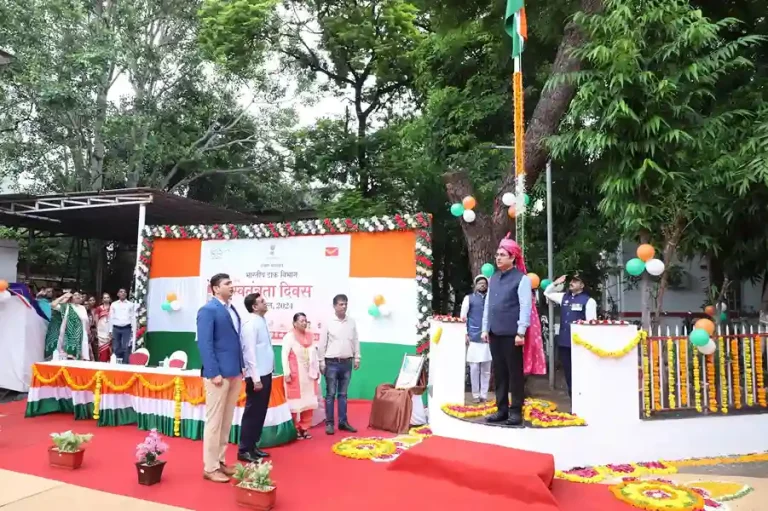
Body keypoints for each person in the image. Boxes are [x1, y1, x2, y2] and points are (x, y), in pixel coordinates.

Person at [481, 235, 546, 426]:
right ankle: (501, 410)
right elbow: (488, 305)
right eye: (497, 255)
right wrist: (485, 328)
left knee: (514, 374)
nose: (498, 258)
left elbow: (525, 306)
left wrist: (521, 332)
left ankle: (516, 411)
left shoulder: (521, 279)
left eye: (502, 255)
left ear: (512, 257)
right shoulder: (493, 278)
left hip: (512, 334)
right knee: (499, 373)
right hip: (494, 332)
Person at [197, 273, 245, 483]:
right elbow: (204, 343)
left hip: (234, 371)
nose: (231, 286)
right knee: (215, 422)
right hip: (218, 375)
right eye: (227, 284)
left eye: (231, 283)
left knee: (226, 422)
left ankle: (220, 461)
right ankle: (210, 467)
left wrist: (241, 367)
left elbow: (234, 340)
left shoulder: (231, 309)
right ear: (216, 288)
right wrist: (213, 372)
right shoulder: (208, 310)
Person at [543, 274, 597, 396]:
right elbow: (547, 293)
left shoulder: (589, 301)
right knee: (568, 371)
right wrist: (555, 283)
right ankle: (572, 396)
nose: (571, 283)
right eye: (571, 280)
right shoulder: (564, 297)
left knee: (580, 370)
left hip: (579, 343)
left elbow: (591, 324)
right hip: (564, 341)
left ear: (582, 285)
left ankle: (583, 395)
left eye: (575, 281)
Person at [239, 292, 273, 462]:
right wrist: (255, 378)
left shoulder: (261, 320)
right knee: (252, 413)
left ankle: (253, 446)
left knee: (260, 412)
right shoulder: (250, 324)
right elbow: (249, 352)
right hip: (256, 376)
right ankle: (244, 449)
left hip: (266, 373)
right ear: (254, 307)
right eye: (261, 301)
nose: (265, 303)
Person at [319, 294, 359, 435]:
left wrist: (357, 357)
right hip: (331, 363)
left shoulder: (351, 322)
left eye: (345, 304)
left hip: (347, 362)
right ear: (334, 306)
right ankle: (330, 423)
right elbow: (322, 343)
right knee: (330, 394)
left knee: (343, 394)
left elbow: (355, 340)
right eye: (341, 304)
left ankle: (343, 422)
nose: (344, 306)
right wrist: (321, 362)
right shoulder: (329, 322)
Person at [282, 312, 320, 439]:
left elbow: (314, 355)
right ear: (294, 323)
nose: (304, 323)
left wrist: (317, 370)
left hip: (309, 375)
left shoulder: (310, 336)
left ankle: (305, 428)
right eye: (301, 321)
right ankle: (294, 429)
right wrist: (287, 373)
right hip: (295, 376)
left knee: (308, 403)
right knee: (295, 404)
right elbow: (284, 356)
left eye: (305, 321)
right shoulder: (289, 337)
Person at [460, 275, 492, 402]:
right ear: (475, 285)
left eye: (484, 283)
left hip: (488, 337)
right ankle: (475, 395)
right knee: (474, 368)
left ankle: (484, 395)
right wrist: (465, 333)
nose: (482, 285)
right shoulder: (469, 298)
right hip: (473, 336)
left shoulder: (491, 299)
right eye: (480, 283)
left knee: (486, 368)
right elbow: (463, 317)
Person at [43, 290, 91, 361]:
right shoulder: (66, 306)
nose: (77, 296)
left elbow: (86, 322)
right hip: (69, 336)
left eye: (79, 295)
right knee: (69, 357)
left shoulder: (82, 308)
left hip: (80, 335)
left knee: (79, 358)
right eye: (75, 295)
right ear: (71, 297)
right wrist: (64, 296)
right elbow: (53, 305)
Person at [109, 288, 135, 362]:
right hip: (116, 328)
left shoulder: (130, 304)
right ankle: (117, 363)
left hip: (126, 328)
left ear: (126, 294)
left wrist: (133, 329)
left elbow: (132, 317)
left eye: (124, 292)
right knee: (116, 347)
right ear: (118, 294)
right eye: (121, 292)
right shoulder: (114, 304)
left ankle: (125, 364)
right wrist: (110, 330)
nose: (123, 293)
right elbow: (111, 317)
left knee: (126, 347)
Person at [92, 293, 112, 362]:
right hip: (101, 331)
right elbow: (96, 320)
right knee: (102, 347)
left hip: (110, 330)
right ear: (102, 300)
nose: (106, 299)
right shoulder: (99, 308)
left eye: (107, 297)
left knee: (110, 347)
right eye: (104, 298)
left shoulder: (112, 308)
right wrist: (97, 330)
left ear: (110, 299)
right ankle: (102, 361)